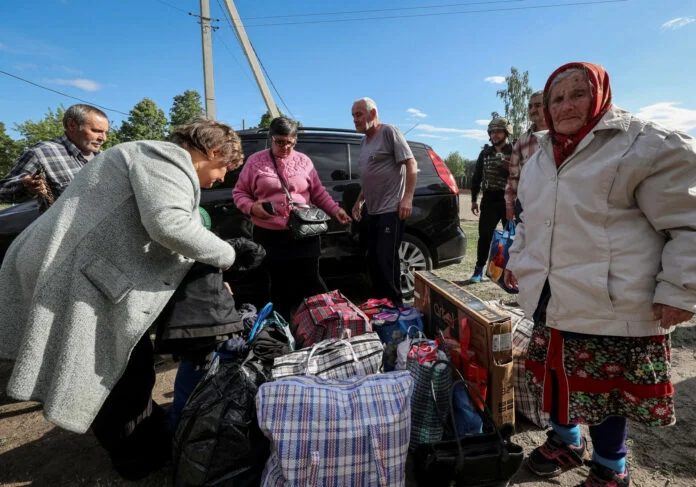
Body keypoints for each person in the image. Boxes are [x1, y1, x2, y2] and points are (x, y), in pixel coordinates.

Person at [0, 119, 245, 480]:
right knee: (111, 367)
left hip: (75, 264)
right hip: (71, 270)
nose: (222, 179)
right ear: (213, 151)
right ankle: (136, 456)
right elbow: (170, 226)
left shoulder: (148, 157)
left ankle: (139, 435)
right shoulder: (165, 159)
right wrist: (229, 254)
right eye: (225, 168)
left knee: (122, 361)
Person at [504, 62, 696, 487]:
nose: (567, 104)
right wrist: (518, 261)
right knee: (557, 377)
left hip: (609, 297)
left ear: (601, 94)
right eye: (557, 98)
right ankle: (567, 440)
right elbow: (528, 221)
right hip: (552, 295)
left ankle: (611, 467)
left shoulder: (642, 144)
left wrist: (681, 289)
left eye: (578, 93)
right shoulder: (540, 155)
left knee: (603, 390)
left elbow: (689, 222)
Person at [232, 116, 351, 320]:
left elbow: (319, 192)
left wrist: (335, 210)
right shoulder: (256, 161)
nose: (285, 147)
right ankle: (281, 333)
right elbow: (239, 193)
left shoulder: (304, 161)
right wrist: (252, 207)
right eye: (280, 141)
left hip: (305, 233)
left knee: (312, 282)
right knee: (277, 287)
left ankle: (324, 325)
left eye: (290, 142)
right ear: (271, 138)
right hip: (270, 236)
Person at [350, 97, 418, 304]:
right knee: (376, 259)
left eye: (359, 115)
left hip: (391, 208)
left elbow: (411, 163)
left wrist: (407, 198)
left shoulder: (389, 132)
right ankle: (382, 304)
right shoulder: (364, 141)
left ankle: (395, 306)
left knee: (384, 258)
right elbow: (370, 175)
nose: (355, 120)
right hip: (374, 210)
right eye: (353, 116)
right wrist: (359, 200)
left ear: (373, 113)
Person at [0, 104, 109, 211]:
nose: (103, 138)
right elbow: (3, 191)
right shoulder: (41, 153)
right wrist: (25, 186)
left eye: (105, 132)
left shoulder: (105, 157)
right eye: (96, 131)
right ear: (72, 125)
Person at [469, 117, 513, 282]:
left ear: (506, 132)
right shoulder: (485, 153)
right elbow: (476, 177)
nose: (494, 135)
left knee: (512, 237)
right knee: (485, 236)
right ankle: (478, 269)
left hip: (509, 199)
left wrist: (513, 168)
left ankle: (512, 272)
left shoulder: (516, 151)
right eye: (492, 132)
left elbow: (527, 175)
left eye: (498, 131)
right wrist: (474, 199)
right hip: (489, 199)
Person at [505, 90, 547, 222]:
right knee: (525, 242)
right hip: (525, 205)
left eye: (538, 105)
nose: (533, 109)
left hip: (555, 203)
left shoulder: (562, 135)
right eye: (530, 106)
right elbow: (513, 176)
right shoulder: (523, 140)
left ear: (549, 106)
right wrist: (510, 204)